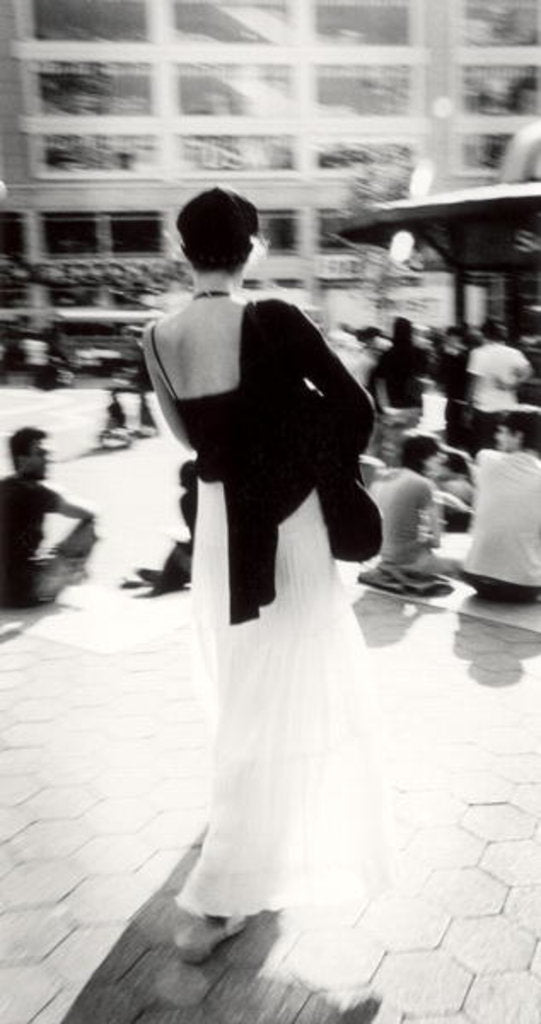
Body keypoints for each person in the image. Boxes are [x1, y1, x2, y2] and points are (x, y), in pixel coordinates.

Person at [143, 186, 394, 963]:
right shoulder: (275, 317)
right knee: (295, 674)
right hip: (288, 522)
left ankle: (246, 822)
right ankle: (227, 886)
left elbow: (189, 438)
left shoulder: (156, 336)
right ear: (252, 248)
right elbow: (354, 410)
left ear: (182, 250)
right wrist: (301, 448)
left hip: (222, 526)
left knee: (243, 680)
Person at [0, 427, 97, 608]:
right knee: (91, 525)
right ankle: (71, 573)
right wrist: (55, 491)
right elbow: (88, 512)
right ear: (22, 460)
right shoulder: (36, 491)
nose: (47, 459)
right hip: (26, 590)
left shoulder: (4, 486)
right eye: (40, 454)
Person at [359, 432, 459, 594]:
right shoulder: (425, 485)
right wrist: (427, 536)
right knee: (461, 566)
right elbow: (437, 542)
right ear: (425, 458)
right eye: (438, 457)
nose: (442, 461)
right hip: (409, 561)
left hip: (383, 554)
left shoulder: (382, 477)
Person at [463, 406, 541, 602]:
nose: (497, 437)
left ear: (518, 436)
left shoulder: (485, 458)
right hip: (524, 587)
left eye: (502, 432)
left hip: (476, 577)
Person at [122, 459, 197, 595]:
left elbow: (194, 531)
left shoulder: (185, 500)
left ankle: (164, 582)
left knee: (178, 551)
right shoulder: (211, 497)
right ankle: (167, 578)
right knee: (183, 549)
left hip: (199, 558)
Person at [466, 319, 531, 454]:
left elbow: (473, 383)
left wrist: (467, 409)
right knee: (505, 451)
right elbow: (528, 372)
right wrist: (511, 386)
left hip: (485, 409)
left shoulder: (478, 353)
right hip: (508, 408)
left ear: (483, 334)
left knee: (484, 450)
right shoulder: (513, 353)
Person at [371, 316, 426, 465]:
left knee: (392, 447)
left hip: (392, 408)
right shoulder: (419, 354)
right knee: (411, 444)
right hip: (413, 407)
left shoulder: (387, 355)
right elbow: (423, 379)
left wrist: (383, 405)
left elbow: (379, 381)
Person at [437, 326, 471, 449]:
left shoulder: (466, 354)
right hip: (449, 395)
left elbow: (465, 375)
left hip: (460, 397)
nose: (448, 340)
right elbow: (441, 373)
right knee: (449, 425)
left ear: (458, 339)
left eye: (451, 337)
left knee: (457, 427)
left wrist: (454, 354)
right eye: (448, 337)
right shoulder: (444, 352)